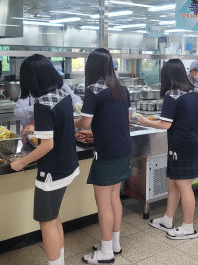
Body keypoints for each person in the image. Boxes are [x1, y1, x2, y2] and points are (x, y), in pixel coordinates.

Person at [10, 54, 79, 265]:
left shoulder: (42, 103)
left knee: (46, 222)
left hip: (52, 171)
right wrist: (39, 128)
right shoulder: (62, 95)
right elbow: (60, 125)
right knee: (54, 216)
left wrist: (21, 162)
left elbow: (47, 145)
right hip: (68, 165)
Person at [74, 48, 132, 264]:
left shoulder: (93, 89)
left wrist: (69, 122)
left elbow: (85, 122)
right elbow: (125, 116)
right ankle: (113, 243)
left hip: (106, 151)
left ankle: (106, 252)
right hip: (123, 147)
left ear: (92, 66)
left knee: (103, 203)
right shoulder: (121, 88)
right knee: (114, 196)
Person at [140, 59, 198, 240]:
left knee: (184, 185)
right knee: (172, 182)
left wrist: (145, 122)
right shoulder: (192, 93)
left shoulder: (172, 95)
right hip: (189, 142)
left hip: (180, 145)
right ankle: (168, 219)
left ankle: (188, 228)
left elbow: (165, 124)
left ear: (167, 76)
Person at [14, 65, 82, 128]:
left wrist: (77, 105)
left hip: (57, 129)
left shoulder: (60, 85)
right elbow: (18, 112)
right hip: (32, 131)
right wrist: (38, 109)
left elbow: (74, 99)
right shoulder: (29, 88)